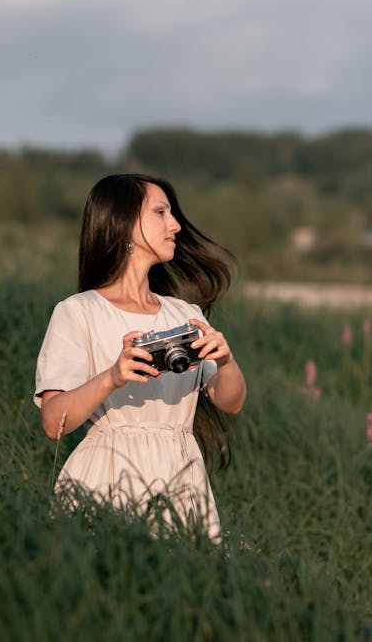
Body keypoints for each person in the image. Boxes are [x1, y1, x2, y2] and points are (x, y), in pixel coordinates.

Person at [34, 173, 246, 541]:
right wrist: (112, 376)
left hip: (183, 480)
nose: (175, 225)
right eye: (161, 213)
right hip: (107, 475)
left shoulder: (183, 313)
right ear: (124, 223)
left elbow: (232, 403)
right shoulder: (78, 312)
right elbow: (54, 422)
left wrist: (226, 362)